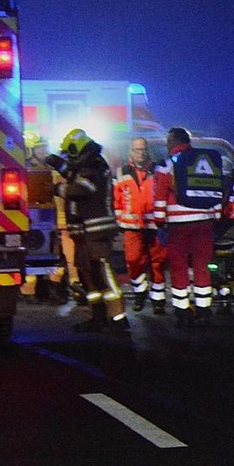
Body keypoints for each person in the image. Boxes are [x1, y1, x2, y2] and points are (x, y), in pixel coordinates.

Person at [50, 129, 128, 335]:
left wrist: (56, 189)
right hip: (83, 234)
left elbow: (80, 189)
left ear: (77, 149)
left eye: (69, 153)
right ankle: (98, 317)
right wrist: (57, 163)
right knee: (88, 276)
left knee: (103, 274)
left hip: (95, 232)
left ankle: (118, 318)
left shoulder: (94, 165)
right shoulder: (86, 164)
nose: (69, 157)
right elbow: (72, 173)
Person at [153, 127, 229, 327]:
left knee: (179, 267)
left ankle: (182, 309)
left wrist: (159, 222)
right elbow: (216, 191)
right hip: (204, 222)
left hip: (178, 225)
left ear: (172, 142)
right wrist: (215, 216)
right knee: (202, 265)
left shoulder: (167, 165)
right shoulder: (206, 162)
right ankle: (204, 309)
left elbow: (160, 196)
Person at [114, 137, 167, 314]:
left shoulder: (158, 170)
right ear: (131, 152)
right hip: (131, 225)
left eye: (143, 149)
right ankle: (140, 292)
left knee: (158, 262)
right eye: (137, 150)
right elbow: (115, 199)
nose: (141, 153)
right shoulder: (121, 172)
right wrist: (119, 220)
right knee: (133, 260)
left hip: (155, 224)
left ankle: (158, 299)